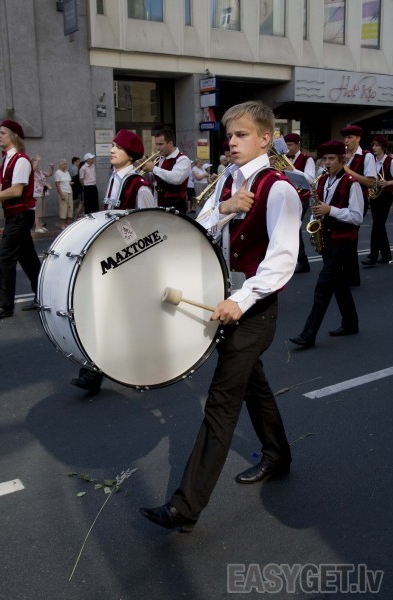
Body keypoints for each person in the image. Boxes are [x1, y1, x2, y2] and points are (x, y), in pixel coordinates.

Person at [140, 100, 301, 532]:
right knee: (253, 386)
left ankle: (185, 506)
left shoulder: (279, 189)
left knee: (222, 401)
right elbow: (201, 228)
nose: (231, 142)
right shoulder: (228, 180)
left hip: (254, 309)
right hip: (226, 300)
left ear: (265, 139)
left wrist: (242, 301)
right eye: (229, 135)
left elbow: (282, 260)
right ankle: (278, 455)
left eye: (241, 134)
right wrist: (225, 207)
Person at [70, 129, 155, 393]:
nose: (112, 150)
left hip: (131, 262)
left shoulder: (139, 186)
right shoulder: (113, 180)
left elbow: (148, 226)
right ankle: (97, 370)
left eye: (117, 147)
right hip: (113, 258)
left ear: (130, 154)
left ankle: (95, 372)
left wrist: (122, 236)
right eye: (112, 145)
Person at [289, 140, 364, 349]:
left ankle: (308, 334)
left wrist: (331, 210)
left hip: (343, 241)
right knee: (339, 285)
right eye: (324, 159)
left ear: (342, 160)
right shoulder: (323, 180)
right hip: (328, 239)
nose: (327, 163)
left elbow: (357, 217)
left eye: (332, 159)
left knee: (323, 287)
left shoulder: (352, 183)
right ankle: (350, 323)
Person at [0, 120, 41, 319]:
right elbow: (7, 190)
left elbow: (16, 191)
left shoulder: (20, 160)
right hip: (15, 215)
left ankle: (5, 306)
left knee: (5, 259)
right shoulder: (7, 160)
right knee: (28, 259)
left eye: (3, 132)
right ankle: (43, 295)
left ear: (13, 136)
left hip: (21, 216)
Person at [340, 124, 376, 286]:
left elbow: (370, 182)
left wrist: (347, 170)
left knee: (350, 238)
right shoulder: (343, 155)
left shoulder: (367, 156)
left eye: (350, 137)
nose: (346, 141)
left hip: (358, 199)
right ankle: (348, 275)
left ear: (358, 139)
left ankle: (352, 277)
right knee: (343, 239)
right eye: (345, 138)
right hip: (341, 199)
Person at [283, 133, 316, 273]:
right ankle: (298, 261)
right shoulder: (283, 158)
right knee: (288, 229)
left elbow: (311, 179)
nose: (288, 148)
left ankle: (301, 260)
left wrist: (293, 170)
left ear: (298, 145)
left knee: (294, 227)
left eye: (290, 145)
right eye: (286, 146)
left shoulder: (307, 159)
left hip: (302, 197)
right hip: (287, 196)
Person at [141, 129, 191, 214]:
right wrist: (145, 170)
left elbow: (176, 178)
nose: (158, 148)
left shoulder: (183, 159)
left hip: (176, 206)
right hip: (160, 203)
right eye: (156, 144)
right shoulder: (159, 159)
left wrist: (154, 168)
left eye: (161, 144)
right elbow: (153, 179)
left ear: (170, 143)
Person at [361, 135, 393, 266]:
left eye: (377, 145)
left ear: (383, 147)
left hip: (386, 196)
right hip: (374, 196)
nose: (374, 148)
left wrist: (387, 182)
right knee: (379, 225)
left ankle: (373, 256)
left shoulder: (390, 161)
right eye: (373, 145)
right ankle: (386, 255)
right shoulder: (371, 161)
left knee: (377, 225)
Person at [32, 155, 54, 233]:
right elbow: (33, 169)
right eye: (35, 162)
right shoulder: (31, 172)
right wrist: (37, 160)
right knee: (38, 211)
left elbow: (49, 174)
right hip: (36, 193)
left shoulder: (40, 172)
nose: (37, 164)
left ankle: (40, 226)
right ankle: (37, 227)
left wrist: (51, 168)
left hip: (43, 192)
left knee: (41, 211)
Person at [54, 159, 73, 229]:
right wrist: (61, 194)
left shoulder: (67, 172)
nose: (65, 165)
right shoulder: (58, 172)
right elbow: (57, 184)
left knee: (70, 207)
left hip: (69, 191)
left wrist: (70, 183)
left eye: (66, 164)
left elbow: (68, 182)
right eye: (64, 164)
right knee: (63, 208)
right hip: (63, 191)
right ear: (60, 165)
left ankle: (68, 223)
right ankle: (62, 224)